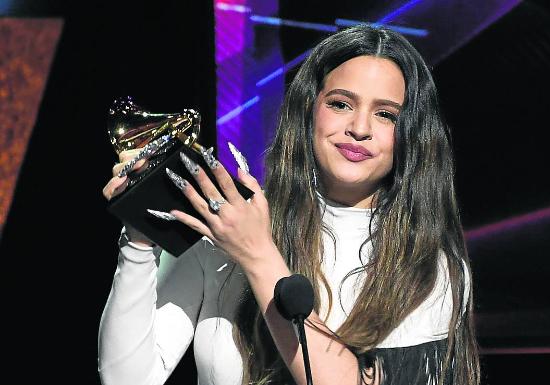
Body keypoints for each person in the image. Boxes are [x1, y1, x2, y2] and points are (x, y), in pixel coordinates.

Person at [99, 25, 480, 385]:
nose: (360, 128)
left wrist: (256, 253)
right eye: (341, 103)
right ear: (308, 109)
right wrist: (139, 238)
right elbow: (125, 378)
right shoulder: (229, 222)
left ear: (412, 134)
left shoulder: (429, 265)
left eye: (385, 114)